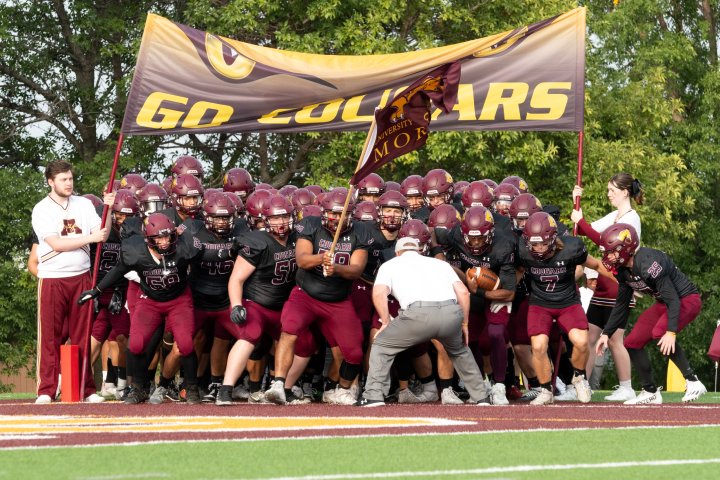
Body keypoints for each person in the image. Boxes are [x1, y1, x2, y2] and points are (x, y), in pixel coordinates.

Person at [78, 213, 204, 404]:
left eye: (167, 236)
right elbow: (118, 270)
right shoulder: (135, 251)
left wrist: (184, 234)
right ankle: (139, 388)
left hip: (178, 300)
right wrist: (96, 290)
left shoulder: (184, 247)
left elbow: (199, 253)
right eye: (158, 238)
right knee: (135, 344)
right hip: (149, 301)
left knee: (185, 344)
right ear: (148, 239)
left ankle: (192, 388)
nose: (163, 242)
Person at [358, 237, 492, 406]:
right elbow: (463, 293)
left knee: (382, 345)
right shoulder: (441, 264)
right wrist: (464, 323)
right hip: (450, 313)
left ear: (397, 253)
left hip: (418, 313)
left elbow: (378, 293)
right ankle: (482, 397)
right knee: (460, 351)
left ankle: (373, 395)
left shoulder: (390, 264)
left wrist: (385, 321)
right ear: (419, 250)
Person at [596, 223, 707, 404]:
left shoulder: (648, 262)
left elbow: (673, 299)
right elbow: (621, 304)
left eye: (611, 252)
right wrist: (606, 333)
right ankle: (650, 391)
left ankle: (693, 381)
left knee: (659, 332)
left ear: (625, 249)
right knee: (632, 342)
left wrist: (671, 332)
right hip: (665, 303)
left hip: (686, 300)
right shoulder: (623, 270)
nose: (607, 257)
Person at [31, 160, 110, 404]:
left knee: (81, 335)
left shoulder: (84, 204)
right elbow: (56, 244)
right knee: (51, 337)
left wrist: (109, 208)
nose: (69, 183)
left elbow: (103, 234)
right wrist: (91, 237)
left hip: (81, 277)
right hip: (53, 277)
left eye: (70, 178)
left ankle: (87, 389)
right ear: (51, 182)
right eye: (63, 179)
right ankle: (46, 389)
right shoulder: (41, 209)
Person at [517, 212, 610, 405]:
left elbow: (597, 265)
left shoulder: (571, 248)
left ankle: (578, 377)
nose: (539, 248)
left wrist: (624, 284)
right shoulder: (523, 251)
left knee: (582, 342)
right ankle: (545, 390)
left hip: (567, 302)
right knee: (538, 346)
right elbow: (517, 272)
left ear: (553, 239)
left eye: (543, 243)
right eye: (534, 244)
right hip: (540, 303)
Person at [570, 173, 643, 401]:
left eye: (612, 190)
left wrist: (580, 220)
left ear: (625, 192)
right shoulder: (615, 215)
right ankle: (583, 386)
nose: (609, 194)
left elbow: (605, 241)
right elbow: (584, 230)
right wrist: (576, 202)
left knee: (613, 340)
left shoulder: (632, 219)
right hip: (602, 286)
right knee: (590, 337)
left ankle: (626, 386)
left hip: (618, 283)